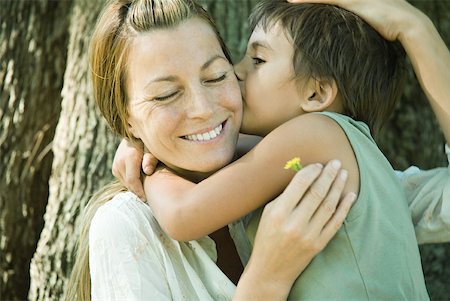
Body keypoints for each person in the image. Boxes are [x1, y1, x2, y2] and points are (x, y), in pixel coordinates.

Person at [113, 0, 450, 299]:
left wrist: (154, 168)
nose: (236, 71)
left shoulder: (313, 135)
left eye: (257, 60)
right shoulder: (340, 147)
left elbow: (183, 215)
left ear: (316, 94)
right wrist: (146, 138)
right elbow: (224, 148)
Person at [65, 0, 354, 300]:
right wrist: (267, 279)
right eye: (166, 95)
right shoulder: (126, 227)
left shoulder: (286, 170)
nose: (203, 109)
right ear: (126, 119)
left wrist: (403, 24)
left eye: (216, 76)